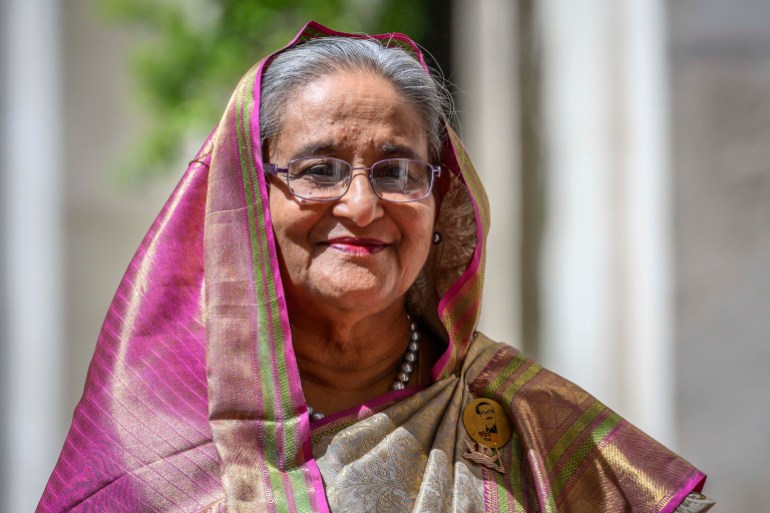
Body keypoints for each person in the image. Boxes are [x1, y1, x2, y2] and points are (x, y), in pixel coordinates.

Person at [37, 22, 714, 513]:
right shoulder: (159, 446)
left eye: (396, 170)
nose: (362, 205)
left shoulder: (526, 420)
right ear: (248, 199)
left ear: (439, 198)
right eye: (319, 169)